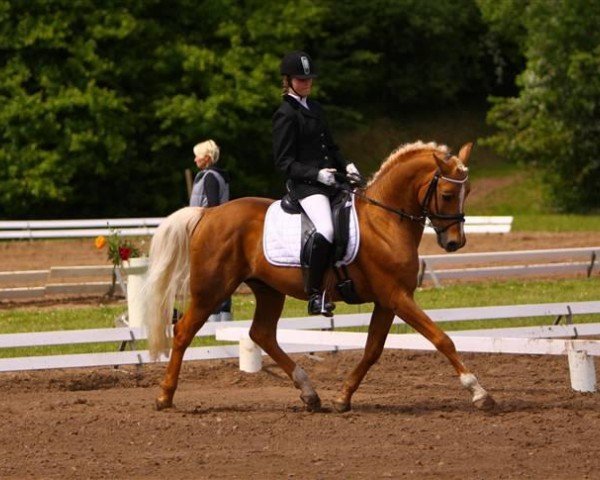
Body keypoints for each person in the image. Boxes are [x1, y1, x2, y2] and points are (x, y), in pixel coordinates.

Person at [272, 51, 363, 317]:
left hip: (331, 180)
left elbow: (330, 146)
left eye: (309, 79)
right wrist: (315, 174)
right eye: (301, 80)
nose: (307, 83)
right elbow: (284, 162)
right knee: (326, 229)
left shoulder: (316, 108)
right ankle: (315, 294)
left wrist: (346, 165)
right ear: (288, 81)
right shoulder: (285, 114)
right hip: (306, 186)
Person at [190, 139, 233, 321]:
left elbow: (213, 206)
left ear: (206, 158)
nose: (194, 160)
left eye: (197, 156)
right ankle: (223, 314)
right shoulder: (218, 176)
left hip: (210, 232)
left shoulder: (209, 177)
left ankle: (215, 316)